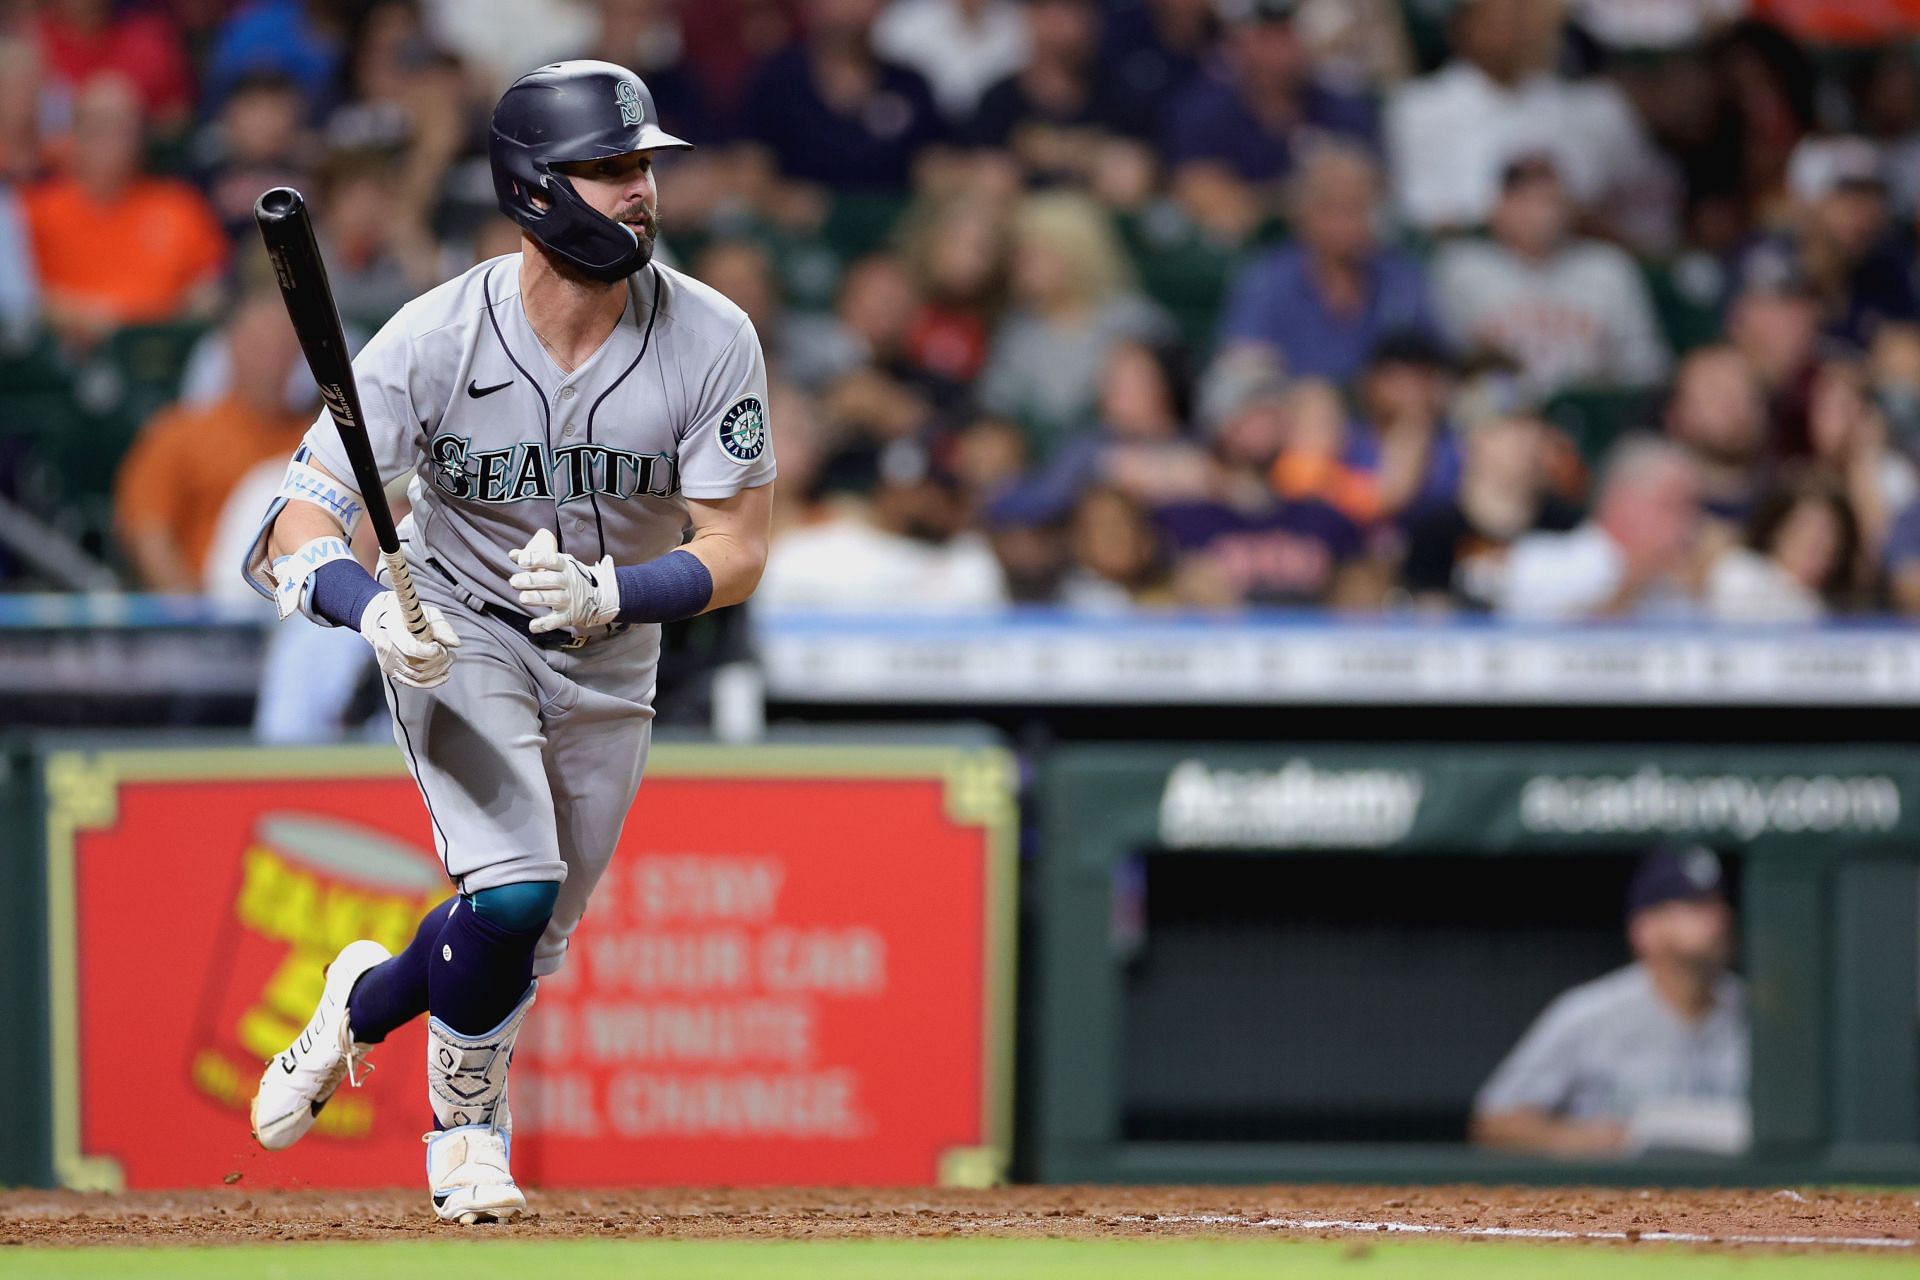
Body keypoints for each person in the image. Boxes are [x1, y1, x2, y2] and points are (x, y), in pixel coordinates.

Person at [242, 61, 777, 1224]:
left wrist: (617, 594)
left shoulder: (712, 336)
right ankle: (467, 1130)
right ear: (536, 189)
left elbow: (739, 547)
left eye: (644, 168)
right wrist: (368, 610)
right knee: (516, 885)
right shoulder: (432, 337)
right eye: (611, 168)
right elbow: (301, 518)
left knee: (516, 935)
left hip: (613, 651)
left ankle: (362, 1003)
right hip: (460, 630)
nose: (640, 192)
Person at [1472, 845, 1749, 1158]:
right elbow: (1494, 1123)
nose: (1719, 918)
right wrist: (1582, 1140)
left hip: (1745, 1201)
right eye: (1695, 905)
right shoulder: (1589, 1014)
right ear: (1645, 929)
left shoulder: (1763, 1015)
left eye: (1719, 902)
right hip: (1621, 1201)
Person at [1386, 0, 1673, 249]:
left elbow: (1589, 197)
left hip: (1568, 250)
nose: (1513, 33)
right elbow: (1422, 215)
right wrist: (1511, 218)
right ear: (1462, 29)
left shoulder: (1564, 103)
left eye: (1520, 21)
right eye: (1498, 22)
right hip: (1471, 255)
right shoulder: (1421, 105)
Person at [112, 291, 312, 592]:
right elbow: (148, 536)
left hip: (301, 614)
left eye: (284, 347)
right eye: (260, 345)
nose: (273, 359)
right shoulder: (179, 433)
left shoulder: (318, 441)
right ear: (231, 347)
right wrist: (198, 618)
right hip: (207, 614)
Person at [1432, 154, 1670, 398]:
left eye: (1549, 201)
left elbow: (1645, 366)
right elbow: (1446, 365)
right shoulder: (1461, 269)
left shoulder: (1608, 268)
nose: (1542, 215)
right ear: (1499, 208)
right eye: (1527, 201)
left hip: (1590, 412)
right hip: (1496, 414)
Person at [23, 74, 227, 345]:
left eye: (123, 129)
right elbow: (23, 297)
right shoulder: (36, 210)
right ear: (73, 136)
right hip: (69, 359)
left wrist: (194, 305)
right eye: (98, 128)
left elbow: (210, 284)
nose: (110, 142)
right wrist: (88, 318)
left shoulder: (178, 205)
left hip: (164, 354)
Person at [1215, 142, 1435, 386]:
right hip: (1294, 412)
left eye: (1358, 207)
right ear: (1301, 213)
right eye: (1330, 208)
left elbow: (1434, 365)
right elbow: (1242, 374)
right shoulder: (1266, 282)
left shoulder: (1401, 278)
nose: (1345, 223)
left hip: (1389, 418)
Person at [1496, 436, 1702, 620]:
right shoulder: (1536, 563)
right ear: (1624, 504)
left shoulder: (1675, 583)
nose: (1689, 522)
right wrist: (1631, 583)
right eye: (1673, 506)